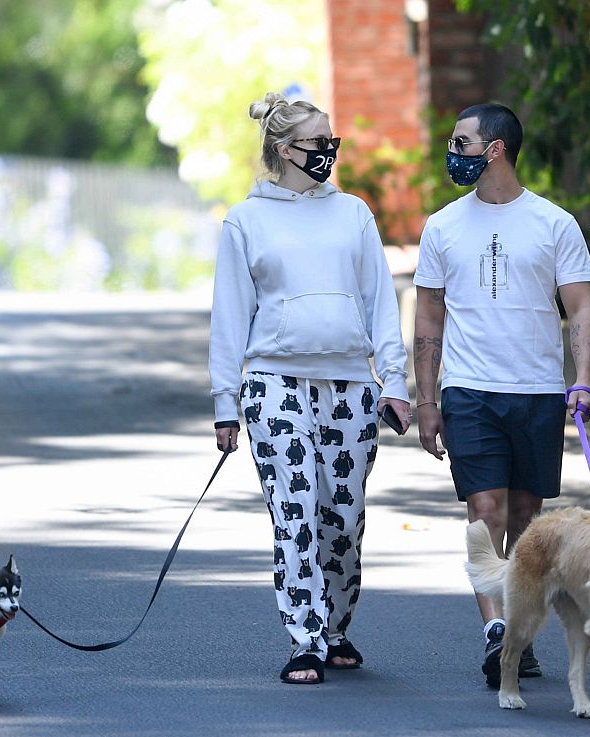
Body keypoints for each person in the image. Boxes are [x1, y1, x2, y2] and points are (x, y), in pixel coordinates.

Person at [208, 92, 411, 685]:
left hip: (350, 384)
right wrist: (226, 404)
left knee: (343, 518)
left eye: (332, 142)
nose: (329, 152)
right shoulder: (246, 220)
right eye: (318, 144)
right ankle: (305, 637)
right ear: (283, 149)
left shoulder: (353, 213)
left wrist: (394, 382)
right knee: (294, 514)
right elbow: (229, 317)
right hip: (274, 383)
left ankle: (337, 625)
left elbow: (380, 303)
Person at [412, 103, 590, 689]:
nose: (452, 152)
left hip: (537, 391)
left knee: (525, 518)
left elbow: (581, 308)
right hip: (469, 392)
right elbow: (427, 315)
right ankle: (496, 634)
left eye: (460, 143)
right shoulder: (441, 226)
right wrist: (426, 399)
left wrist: (584, 379)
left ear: (494, 149)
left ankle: (519, 625)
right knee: (485, 510)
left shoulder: (554, 223)